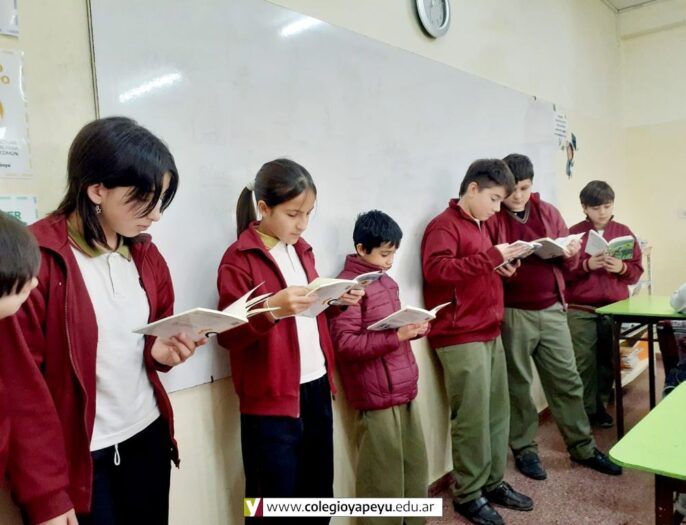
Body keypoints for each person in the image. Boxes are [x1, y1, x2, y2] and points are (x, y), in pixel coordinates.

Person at [0, 117, 204, 525]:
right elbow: (19, 392)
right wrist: (45, 496)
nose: (156, 215)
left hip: (147, 436)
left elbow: (151, 333)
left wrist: (159, 352)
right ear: (97, 190)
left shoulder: (145, 255)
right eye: (144, 200)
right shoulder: (38, 261)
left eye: (161, 200)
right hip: (81, 461)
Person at [216, 158, 362, 524]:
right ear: (264, 208)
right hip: (271, 399)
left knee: (318, 494)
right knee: (271, 504)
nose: (302, 224)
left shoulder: (302, 250)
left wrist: (335, 301)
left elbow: (307, 315)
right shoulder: (239, 258)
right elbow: (227, 334)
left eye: (309, 213)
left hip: (316, 387)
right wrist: (270, 309)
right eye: (293, 214)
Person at [488, 153, 621, 482]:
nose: (517, 196)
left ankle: (583, 447)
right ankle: (525, 449)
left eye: (524, 188)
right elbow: (485, 263)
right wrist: (500, 268)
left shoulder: (547, 212)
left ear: (532, 185)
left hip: (552, 309)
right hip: (512, 312)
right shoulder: (493, 217)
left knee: (568, 380)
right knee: (518, 387)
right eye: (511, 190)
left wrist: (570, 254)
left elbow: (571, 266)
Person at [422, 159, 533, 525]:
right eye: (494, 199)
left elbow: (476, 269)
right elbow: (437, 271)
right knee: (471, 418)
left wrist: (501, 267)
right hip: (460, 334)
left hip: (488, 328)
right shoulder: (443, 226)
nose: (498, 208)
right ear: (472, 189)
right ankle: (469, 494)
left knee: (498, 413)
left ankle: (492, 482)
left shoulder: (480, 225)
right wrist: (491, 257)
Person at [329, 210, 428, 525]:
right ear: (361, 248)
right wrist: (396, 336)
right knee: (382, 477)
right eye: (384, 254)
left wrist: (414, 328)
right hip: (374, 393)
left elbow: (392, 331)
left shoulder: (386, 281)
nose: (390, 261)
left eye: (393, 253)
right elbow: (345, 345)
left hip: (403, 386)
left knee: (414, 466)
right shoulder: (348, 288)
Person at [565, 180, 643, 427]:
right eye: (596, 208)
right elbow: (562, 273)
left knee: (608, 360)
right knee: (583, 362)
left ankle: (600, 405)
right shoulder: (574, 234)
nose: (602, 212)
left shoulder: (623, 232)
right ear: (584, 207)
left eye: (607, 206)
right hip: (581, 308)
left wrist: (622, 268)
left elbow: (635, 273)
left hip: (614, 308)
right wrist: (586, 265)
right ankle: (588, 411)